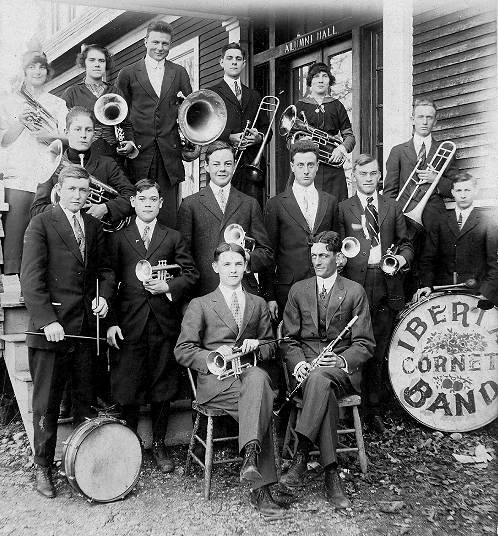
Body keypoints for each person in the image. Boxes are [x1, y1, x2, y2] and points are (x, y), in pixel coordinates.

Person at [20, 165, 114, 498]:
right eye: (71, 189)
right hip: (51, 333)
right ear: (59, 190)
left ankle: (83, 467)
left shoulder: (92, 224)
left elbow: (105, 268)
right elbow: (30, 279)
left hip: (84, 331)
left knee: (85, 403)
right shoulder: (41, 222)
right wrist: (47, 321)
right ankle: (43, 467)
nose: (78, 196)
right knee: (46, 403)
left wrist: (104, 297)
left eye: (83, 190)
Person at [174, 242, 286, 519]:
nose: (233, 269)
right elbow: (183, 350)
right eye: (227, 264)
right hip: (216, 382)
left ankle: (252, 463)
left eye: (238, 264)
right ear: (215, 268)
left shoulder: (258, 303)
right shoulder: (200, 304)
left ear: (246, 266)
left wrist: (256, 344)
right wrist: (213, 355)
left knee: (258, 379)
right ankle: (260, 488)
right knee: (261, 397)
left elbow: (272, 346)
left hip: (248, 376)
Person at [106, 178, 198, 473]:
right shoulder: (120, 238)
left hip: (162, 321)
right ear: (133, 202)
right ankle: (129, 444)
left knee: (162, 383)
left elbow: (191, 273)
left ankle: (158, 445)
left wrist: (168, 286)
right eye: (142, 199)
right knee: (128, 384)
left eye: (153, 199)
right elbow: (109, 280)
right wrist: (110, 323)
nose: (148, 204)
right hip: (129, 322)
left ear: (161, 203)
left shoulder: (172, 237)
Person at [280, 231, 374, 508]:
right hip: (307, 369)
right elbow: (289, 340)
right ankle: (332, 475)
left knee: (321, 377)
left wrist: (342, 361)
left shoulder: (355, 291)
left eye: (323, 255)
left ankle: (301, 457)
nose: (317, 261)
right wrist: (298, 364)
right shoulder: (298, 290)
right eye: (314, 256)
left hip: (341, 367)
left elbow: (365, 343)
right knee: (323, 389)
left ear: (339, 258)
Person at [338, 154, 414, 431]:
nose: (369, 179)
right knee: (355, 344)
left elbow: (406, 244)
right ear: (354, 176)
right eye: (363, 174)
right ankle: (351, 408)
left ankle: (374, 410)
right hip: (355, 283)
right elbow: (337, 246)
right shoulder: (343, 208)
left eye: (373, 174)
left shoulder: (392, 207)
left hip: (386, 279)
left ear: (379, 176)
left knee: (379, 348)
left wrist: (402, 259)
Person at [116, 20, 192, 229]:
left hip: (169, 154)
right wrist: (128, 143)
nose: (160, 48)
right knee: (137, 212)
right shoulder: (128, 73)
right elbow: (119, 114)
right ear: (145, 41)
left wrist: (190, 142)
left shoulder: (179, 72)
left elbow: (190, 110)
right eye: (155, 42)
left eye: (165, 44)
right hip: (138, 155)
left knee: (168, 215)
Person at [0, 48, 67, 280]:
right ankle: (14, 286)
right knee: (15, 234)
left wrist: (49, 135)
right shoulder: (9, 102)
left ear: (47, 71)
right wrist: (21, 121)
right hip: (18, 176)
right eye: (32, 66)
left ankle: (43, 284)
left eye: (41, 67)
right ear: (24, 71)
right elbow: (4, 141)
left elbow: (65, 137)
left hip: (47, 175)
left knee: (44, 234)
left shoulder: (57, 103)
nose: (37, 71)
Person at [177, 140, 273, 297]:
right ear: (206, 167)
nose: (222, 169)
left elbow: (266, 254)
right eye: (216, 164)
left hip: (243, 291)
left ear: (234, 166)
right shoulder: (190, 205)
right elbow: (183, 256)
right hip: (204, 292)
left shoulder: (250, 204)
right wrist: (187, 300)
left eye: (228, 164)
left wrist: (246, 256)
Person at [383, 98, 457, 297]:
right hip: (405, 217)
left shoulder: (446, 150)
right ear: (412, 119)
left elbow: (455, 188)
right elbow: (390, 190)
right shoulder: (398, 151)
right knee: (406, 263)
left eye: (429, 117)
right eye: (421, 117)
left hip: (434, 217)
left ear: (435, 121)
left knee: (432, 264)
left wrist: (437, 179)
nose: (425, 121)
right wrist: (391, 218)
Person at [261, 139, 338, 322]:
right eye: (300, 165)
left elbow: (336, 246)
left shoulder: (330, 201)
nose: (306, 170)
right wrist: (269, 296)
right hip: (287, 287)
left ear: (318, 166)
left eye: (310, 165)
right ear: (292, 166)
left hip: (324, 285)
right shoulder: (276, 204)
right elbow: (268, 253)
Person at [30, 106, 135, 231]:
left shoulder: (107, 164)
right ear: (67, 132)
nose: (83, 135)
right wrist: (66, 208)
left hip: (101, 237)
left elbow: (131, 195)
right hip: (64, 237)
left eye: (88, 130)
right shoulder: (53, 165)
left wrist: (106, 207)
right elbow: (36, 209)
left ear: (94, 135)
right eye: (77, 129)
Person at [414, 173, 498, 306]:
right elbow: (428, 259)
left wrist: (486, 292)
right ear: (452, 192)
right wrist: (427, 285)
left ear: (475, 191)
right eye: (459, 190)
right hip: (443, 293)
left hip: (476, 294)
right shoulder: (439, 221)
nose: (463, 195)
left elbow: (494, 264)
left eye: (467, 190)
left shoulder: (487, 222)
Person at [209, 42, 270, 207]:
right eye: (229, 58)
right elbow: (206, 130)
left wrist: (258, 138)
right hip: (223, 162)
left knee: (253, 211)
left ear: (244, 63)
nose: (234, 62)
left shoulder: (254, 95)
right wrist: (229, 136)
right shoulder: (211, 93)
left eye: (238, 59)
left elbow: (267, 128)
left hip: (251, 165)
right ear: (221, 62)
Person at [62, 44, 138, 165]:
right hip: (84, 157)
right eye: (92, 60)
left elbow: (126, 124)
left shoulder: (115, 92)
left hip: (114, 155)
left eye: (101, 61)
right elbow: (63, 128)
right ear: (84, 63)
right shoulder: (72, 93)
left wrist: (129, 143)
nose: (97, 64)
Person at [293, 62, 355, 201]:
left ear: (329, 81)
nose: (320, 80)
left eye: (325, 76)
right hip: (306, 168)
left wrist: (341, 148)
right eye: (316, 76)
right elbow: (289, 140)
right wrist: (299, 144)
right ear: (310, 81)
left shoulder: (337, 105)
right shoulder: (300, 105)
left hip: (332, 168)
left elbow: (349, 136)